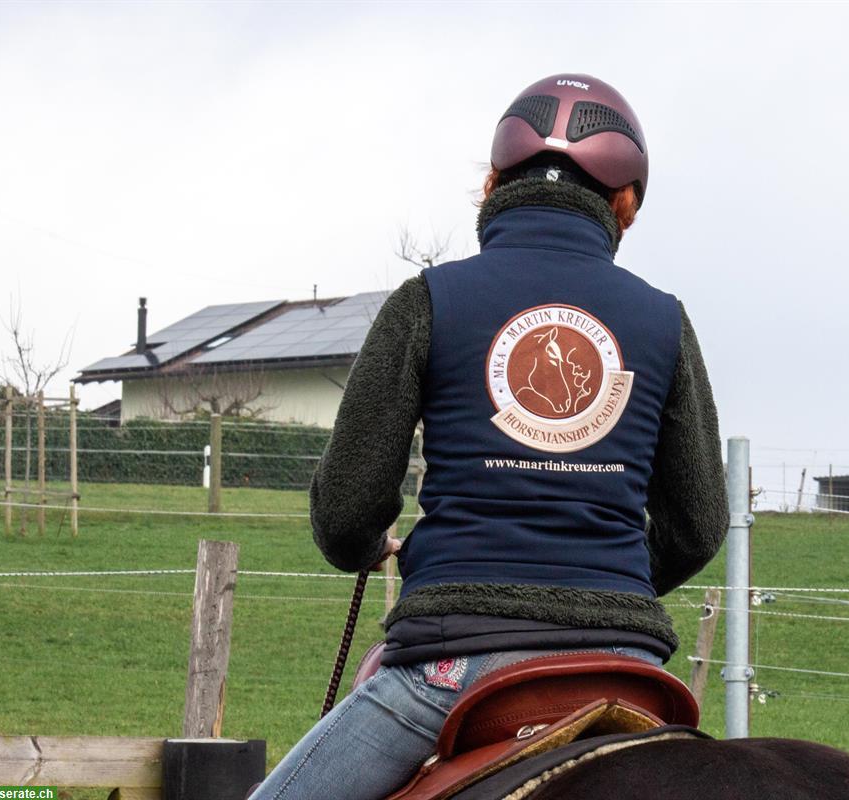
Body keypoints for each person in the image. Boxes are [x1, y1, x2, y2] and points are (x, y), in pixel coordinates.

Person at [249, 73, 728, 800]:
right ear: (624, 205)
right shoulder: (665, 321)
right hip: (629, 663)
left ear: (494, 184)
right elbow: (699, 526)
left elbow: (348, 508)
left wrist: (362, 547)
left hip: (453, 664)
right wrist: (603, 591)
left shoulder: (427, 301)